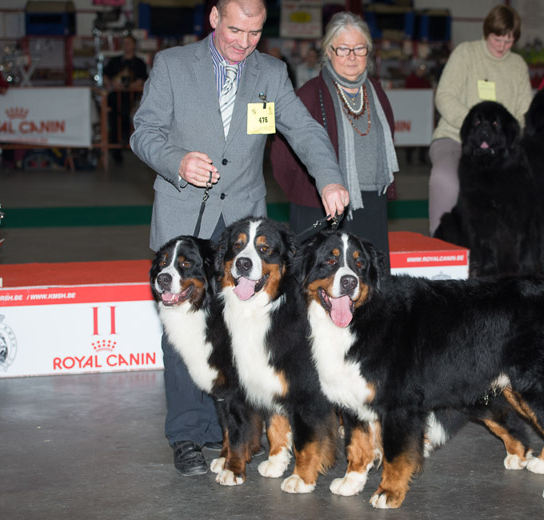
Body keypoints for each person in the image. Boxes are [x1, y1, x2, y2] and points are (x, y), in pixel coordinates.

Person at [130, 0, 349, 476]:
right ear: (214, 18)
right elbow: (143, 132)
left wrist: (329, 177)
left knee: (241, 333)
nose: (243, 43)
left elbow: (303, 130)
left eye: (253, 33)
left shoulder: (270, 72)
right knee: (183, 332)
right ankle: (189, 434)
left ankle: (238, 431)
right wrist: (178, 160)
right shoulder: (172, 65)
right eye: (234, 30)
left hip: (243, 230)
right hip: (185, 219)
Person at [270, 12, 398, 258]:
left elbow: (389, 136)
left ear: (368, 53)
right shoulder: (309, 94)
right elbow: (281, 157)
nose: (352, 56)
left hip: (372, 205)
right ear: (328, 51)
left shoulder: (378, 93)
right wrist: (305, 192)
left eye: (359, 49)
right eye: (343, 49)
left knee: (371, 286)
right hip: (321, 207)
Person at [427, 5, 531, 235]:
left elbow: (524, 112)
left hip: (501, 149)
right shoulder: (465, 53)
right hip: (454, 138)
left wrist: (504, 138)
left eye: (509, 41)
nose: (502, 47)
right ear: (486, 32)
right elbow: (444, 97)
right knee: (445, 180)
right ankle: (439, 246)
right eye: (497, 39)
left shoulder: (518, 66)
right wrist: (477, 129)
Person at [103, 35, 148, 164]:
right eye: (124, 43)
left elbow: (141, 81)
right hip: (113, 97)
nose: (126, 45)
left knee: (123, 116)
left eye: (128, 43)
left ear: (134, 45)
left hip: (129, 98)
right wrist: (112, 85)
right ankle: (115, 148)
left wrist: (126, 86)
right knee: (113, 120)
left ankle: (122, 142)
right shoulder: (115, 61)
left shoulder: (139, 63)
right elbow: (106, 76)